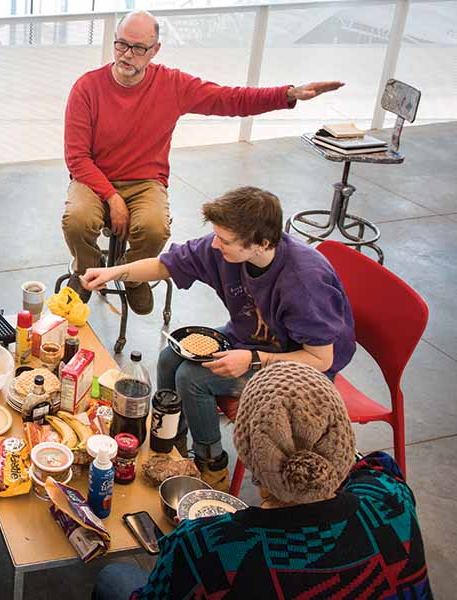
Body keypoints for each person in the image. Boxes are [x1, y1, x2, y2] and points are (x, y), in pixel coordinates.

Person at [63, 10, 344, 315]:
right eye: (121, 45)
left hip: (145, 181)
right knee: (77, 220)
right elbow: (77, 157)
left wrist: (287, 94)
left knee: (155, 229)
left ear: (155, 50)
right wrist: (112, 197)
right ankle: (86, 273)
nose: (126, 55)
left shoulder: (172, 84)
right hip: (93, 177)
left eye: (138, 48)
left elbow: (229, 99)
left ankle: (133, 276)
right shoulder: (87, 87)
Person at [81, 187, 356, 490]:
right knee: (171, 356)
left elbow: (320, 360)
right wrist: (114, 273)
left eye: (224, 240)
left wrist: (253, 359)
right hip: (251, 341)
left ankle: (211, 465)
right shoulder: (222, 249)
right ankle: (172, 445)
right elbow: (165, 265)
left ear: (261, 243)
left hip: (300, 370)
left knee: (193, 378)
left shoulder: (304, 280)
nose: (215, 244)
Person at [92, 362, 433, 600]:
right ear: (340, 436)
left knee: (113, 576)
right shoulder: (391, 496)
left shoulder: (211, 547)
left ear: (245, 448)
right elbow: (365, 467)